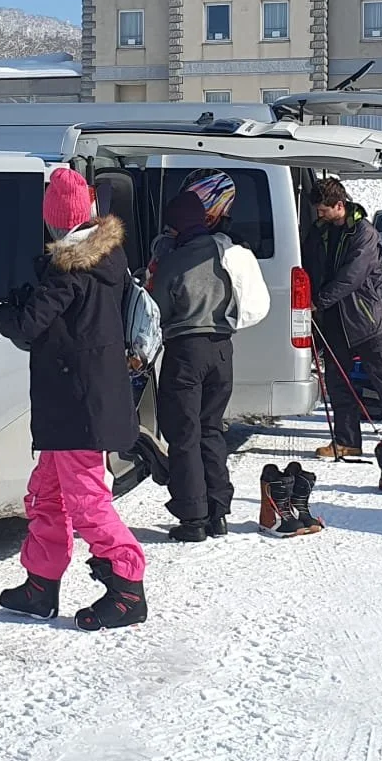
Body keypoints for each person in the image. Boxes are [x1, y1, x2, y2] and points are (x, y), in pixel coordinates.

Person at [0, 169, 148, 630]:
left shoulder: (70, 269)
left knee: (86, 501)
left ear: (56, 220)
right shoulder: (105, 261)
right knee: (47, 495)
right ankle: (41, 583)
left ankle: (127, 587)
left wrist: (7, 310)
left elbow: (28, 327)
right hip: (80, 400)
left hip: (78, 404)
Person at [148, 172, 264, 542]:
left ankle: (192, 518)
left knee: (184, 435)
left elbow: (157, 311)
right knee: (211, 430)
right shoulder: (227, 252)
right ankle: (218, 511)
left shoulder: (173, 261)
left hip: (186, 352)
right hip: (222, 349)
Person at [303, 176, 382, 459]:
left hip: (365, 321)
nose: (319, 215)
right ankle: (347, 441)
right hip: (334, 321)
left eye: (323, 210)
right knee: (338, 384)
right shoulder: (322, 231)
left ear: (339, 205)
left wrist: (320, 301)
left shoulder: (364, 233)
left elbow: (351, 276)